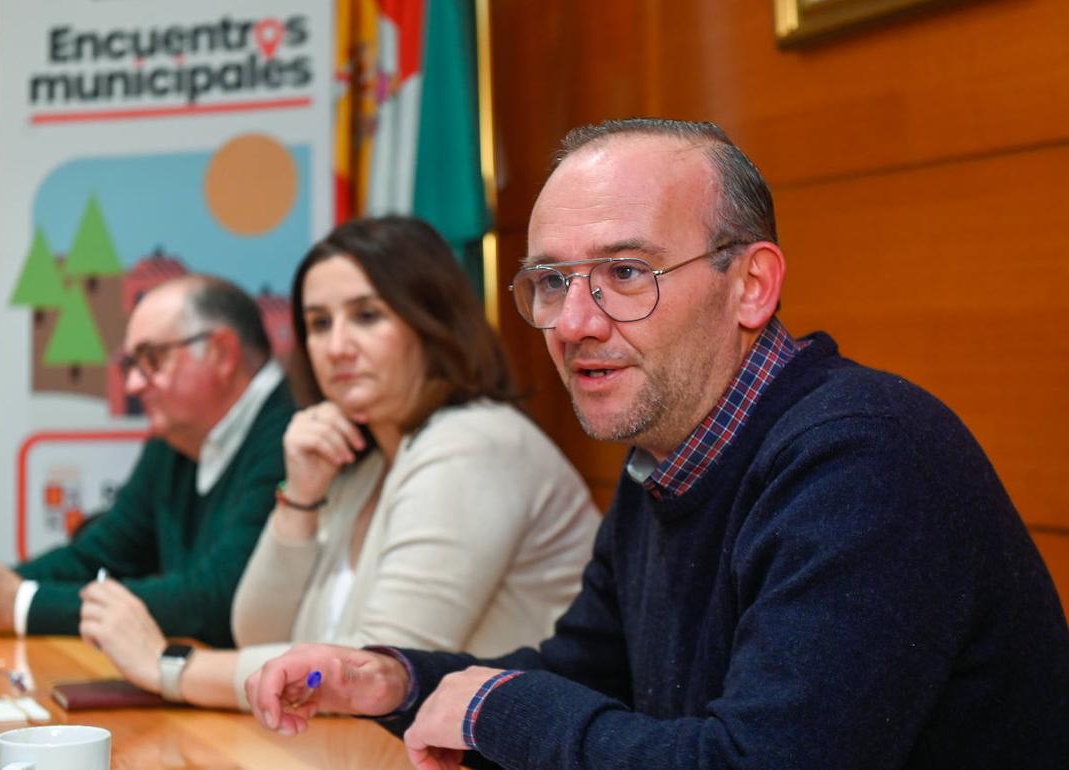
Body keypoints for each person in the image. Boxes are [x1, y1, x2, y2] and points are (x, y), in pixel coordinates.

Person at [245, 119, 1069, 769]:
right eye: (552, 281)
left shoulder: (866, 460)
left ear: (750, 286)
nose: (573, 324)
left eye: (627, 273)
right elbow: (590, 673)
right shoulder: (666, 456)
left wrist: (497, 711)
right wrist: (394, 679)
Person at [77, 216, 600, 709]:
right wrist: (300, 496)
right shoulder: (364, 460)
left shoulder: (475, 445)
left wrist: (167, 667)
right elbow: (258, 630)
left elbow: (375, 675)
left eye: (366, 316)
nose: (337, 347)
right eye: (319, 324)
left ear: (431, 322)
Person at [0, 275, 295, 647]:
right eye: (131, 365)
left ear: (221, 352)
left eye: (152, 359)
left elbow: (217, 600)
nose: (133, 385)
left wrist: (18, 602)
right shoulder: (178, 437)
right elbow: (100, 553)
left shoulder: (291, 436)